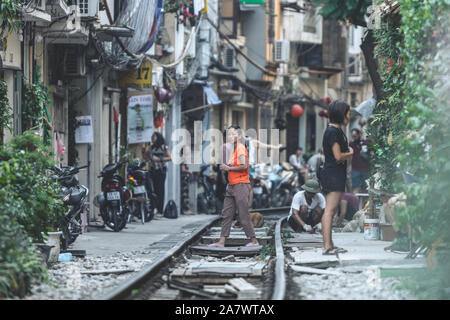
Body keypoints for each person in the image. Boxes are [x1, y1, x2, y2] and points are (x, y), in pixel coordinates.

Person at [209, 125, 259, 248]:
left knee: (243, 214)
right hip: (232, 186)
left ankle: (253, 240)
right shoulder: (234, 149)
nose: (230, 137)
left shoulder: (241, 148)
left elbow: (245, 166)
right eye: (229, 134)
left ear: (240, 136)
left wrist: (228, 168)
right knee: (226, 213)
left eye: (233, 134)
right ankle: (222, 241)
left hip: (241, 185)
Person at [319, 100, 354, 255]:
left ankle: (330, 244)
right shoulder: (333, 132)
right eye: (348, 112)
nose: (350, 116)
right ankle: (326, 246)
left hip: (335, 174)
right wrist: (351, 153)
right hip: (333, 174)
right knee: (330, 210)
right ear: (341, 114)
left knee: (330, 210)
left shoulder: (336, 131)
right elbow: (338, 156)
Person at [149, 132, 172, 218]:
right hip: (152, 170)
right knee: (152, 190)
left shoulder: (163, 147)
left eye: (154, 137)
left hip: (161, 171)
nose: (152, 138)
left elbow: (170, 158)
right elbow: (148, 157)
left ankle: (160, 210)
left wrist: (159, 159)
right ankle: (153, 208)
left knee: (160, 190)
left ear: (157, 137)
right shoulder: (151, 147)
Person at [349, 128, 370, 194]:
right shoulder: (351, 144)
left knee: (365, 188)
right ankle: (355, 203)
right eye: (353, 136)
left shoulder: (366, 143)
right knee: (356, 187)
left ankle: (363, 203)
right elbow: (349, 157)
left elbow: (371, 153)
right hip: (355, 170)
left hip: (365, 170)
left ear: (359, 135)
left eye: (355, 136)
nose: (354, 138)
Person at [180, 146, 194, 215]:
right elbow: (183, 169)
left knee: (185, 194)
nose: (189, 151)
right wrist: (189, 171)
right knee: (184, 194)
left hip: (185, 178)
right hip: (184, 178)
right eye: (187, 150)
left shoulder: (185, 158)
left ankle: (185, 209)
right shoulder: (183, 158)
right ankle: (185, 209)